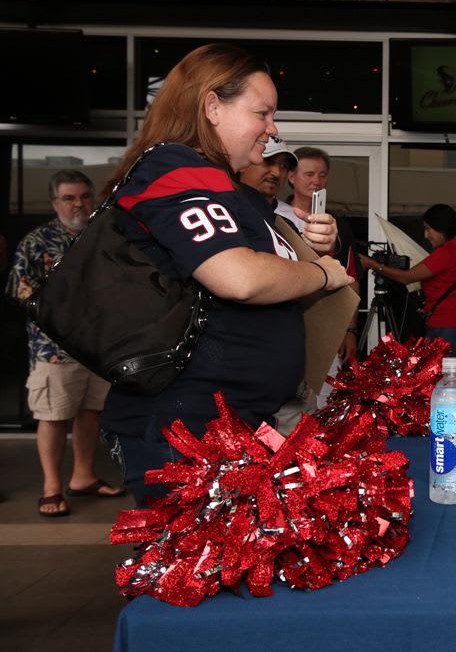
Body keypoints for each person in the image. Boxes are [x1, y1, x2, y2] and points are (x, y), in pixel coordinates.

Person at [99, 43, 353, 504]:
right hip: (189, 435)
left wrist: (309, 249)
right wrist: (321, 274)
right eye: (263, 113)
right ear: (212, 106)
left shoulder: (224, 188)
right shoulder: (173, 169)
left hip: (235, 427)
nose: (272, 130)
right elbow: (239, 277)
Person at [6, 170, 124, 516]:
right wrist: (61, 311)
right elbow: (18, 288)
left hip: (98, 347)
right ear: (55, 202)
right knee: (54, 415)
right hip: (54, 349)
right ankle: (51, 488)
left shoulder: (102, 236)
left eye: (84, 196)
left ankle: (83, 476)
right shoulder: (37, 241)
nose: (78, 204)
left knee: (91, 412)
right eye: (69, 198)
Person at [240, 137, 360, 416]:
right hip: (253, 357)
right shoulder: (238, 213)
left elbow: (346, 278)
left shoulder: (328, 224)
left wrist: (347, 328)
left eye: (281, 165)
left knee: (312, 417)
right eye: (267, 161)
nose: (275, 172)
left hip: (302, 342)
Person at [359, 204, 456, 372]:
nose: (426, 235)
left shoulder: (447, 253)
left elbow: (406, 277)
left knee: (438, 383)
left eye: (429, 229)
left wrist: (371, 264)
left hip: (447, 329)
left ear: (442, 228)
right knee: (451, 380)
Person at [279, 145, 362, 367]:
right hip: (281, 321)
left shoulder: (337, 225)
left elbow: (351, 278)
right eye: (309, 174)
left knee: (323, 395)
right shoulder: (274, 217)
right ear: (291, 177)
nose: (316, 180)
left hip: (326, 324)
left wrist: (350, 330)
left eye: (322, 174)